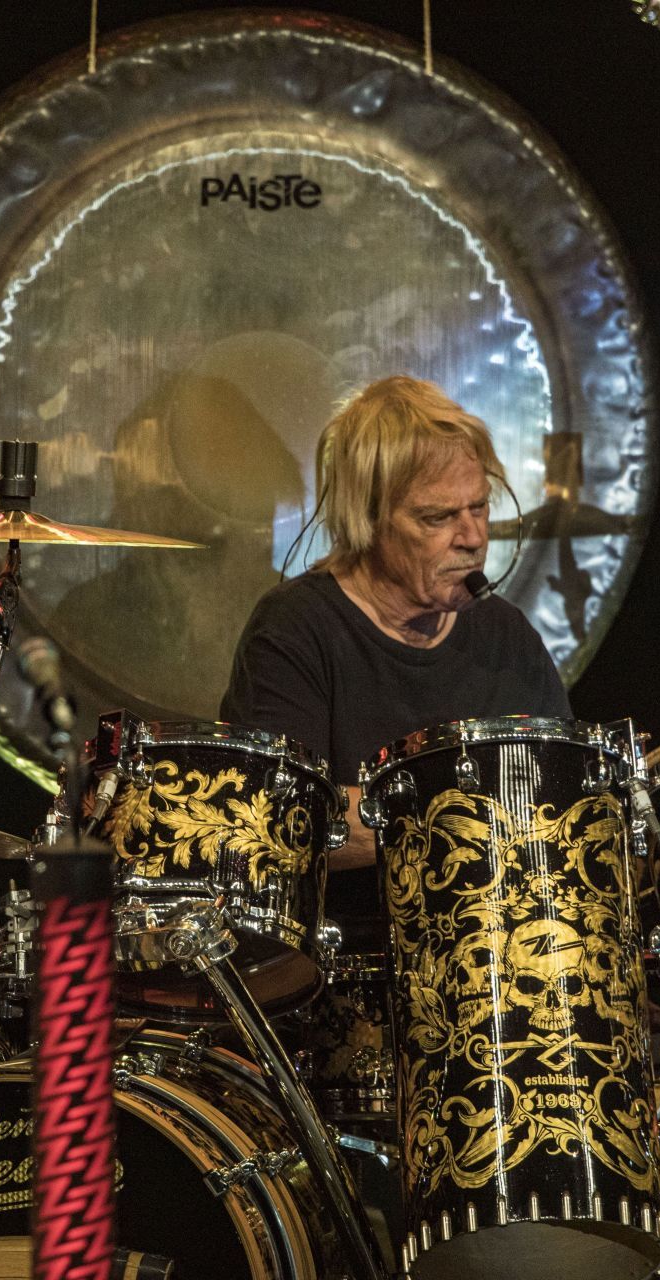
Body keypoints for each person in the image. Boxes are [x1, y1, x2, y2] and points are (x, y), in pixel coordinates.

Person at [220, 375, 570, 911]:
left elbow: (562, 804)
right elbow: (280, 819)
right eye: (438, 517)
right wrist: (463, 818)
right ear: (368, 518)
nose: (474, 537)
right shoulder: (295, 629)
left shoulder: (507, 635)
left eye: (479, 508)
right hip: (347, 965)